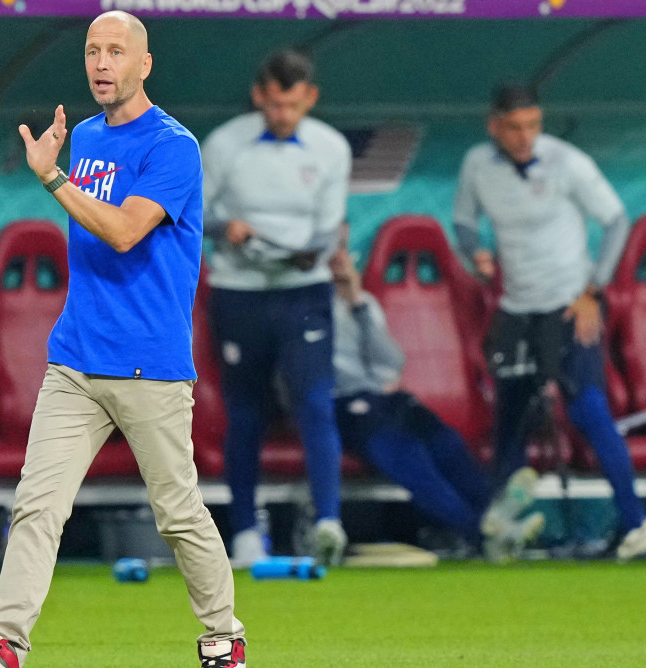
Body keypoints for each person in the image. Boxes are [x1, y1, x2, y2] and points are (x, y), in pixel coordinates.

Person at [0, 11, 245, 668]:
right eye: (93, 51)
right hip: (75, 360)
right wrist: (62, 172)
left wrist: (54, 179)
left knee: (178, 516)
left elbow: (125, 230)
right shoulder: (88, 135)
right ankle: (2, 646)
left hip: (150, 365)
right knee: (36, 507)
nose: (101, 63)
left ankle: (223, 640)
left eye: (116, 52)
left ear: (144, 64)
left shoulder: (173, 146)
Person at [452, 84, 646, 561]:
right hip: (518, 311)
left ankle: (635, 525)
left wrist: (592, 291)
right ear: (493, 126)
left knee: (588, 412)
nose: (525, 137)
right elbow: (462, 220)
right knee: (510, 420)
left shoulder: (567, 162)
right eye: (514, 127)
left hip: (568, 307)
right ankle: (503, 532)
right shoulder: (478, 165)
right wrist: (473, 251)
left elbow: (617, 220)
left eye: (533, 126)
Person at [201, 49, 352, 567]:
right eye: (274, 103)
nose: (282, 114)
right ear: (260, 94)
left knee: (314, 403)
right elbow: (185, 212)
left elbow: (329, 227)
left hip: (304, 291)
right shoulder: (223, 144)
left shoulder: (331, 148)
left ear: (309, 97)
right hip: (239, 291)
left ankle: (329, 523)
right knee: (245, 413)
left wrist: (314, 250)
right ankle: (245, 531)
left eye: (292, 104)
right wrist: (226, 228)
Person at [328, 225, 545, 560]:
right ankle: (480, 531)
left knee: (445, 441)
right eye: (334, 249)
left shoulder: (363, 304)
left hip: (386, 398)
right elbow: (333, 376)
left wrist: (356, 304)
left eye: (344, 249)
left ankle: (494, 517)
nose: (341, 259)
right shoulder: (307, 309)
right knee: (410, 454)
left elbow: (392, 362)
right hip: (343, 404)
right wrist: (372, 380)